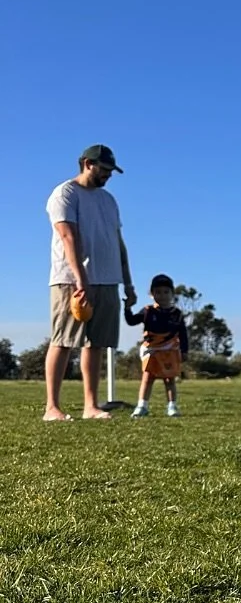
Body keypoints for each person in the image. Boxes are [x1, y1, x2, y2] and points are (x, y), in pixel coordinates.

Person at [44, 144, 137, 421]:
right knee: (63, 340)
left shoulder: (108, 200)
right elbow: (68, 237)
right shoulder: (64, 194)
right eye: (104, 169)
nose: (108, 175)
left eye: (111, 171)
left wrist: (128, 283)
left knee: (95, 343)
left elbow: (118, 243)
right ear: (87, 163)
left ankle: (90, 406)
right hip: (70, 281)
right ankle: (52, 407)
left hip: (108, 280)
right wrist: (81, 280)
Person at [125, 274, 189, 417]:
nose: (162, 296)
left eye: (166, 292)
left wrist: (184, 351)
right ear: (152, 294)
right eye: (158, 292)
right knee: (148, 377)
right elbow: (131, 321)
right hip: (152, 350)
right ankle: (142, 406)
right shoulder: (148, 311)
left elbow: (183, 334)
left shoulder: (176, 314)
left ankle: (172, 406)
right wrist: (127, 308)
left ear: (172, 294)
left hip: (170, 350)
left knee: (170, 378)